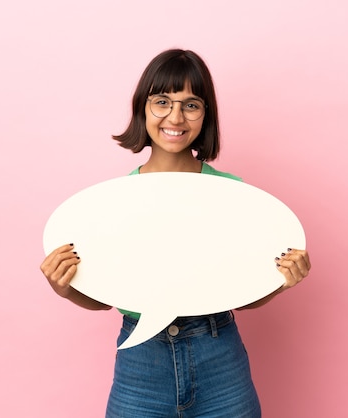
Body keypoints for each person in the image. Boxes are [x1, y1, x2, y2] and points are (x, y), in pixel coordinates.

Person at [40, 49, 311, 418]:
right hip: (141, 361)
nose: (175, 117)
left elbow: (242, 292)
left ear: (206, 115)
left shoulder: (233, 195)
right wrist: (65, 287)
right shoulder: (111, 204)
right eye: (162, 101)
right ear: (142, 108)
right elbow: (103, 297)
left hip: (220, 359)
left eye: (191, 105)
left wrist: (280, 281)